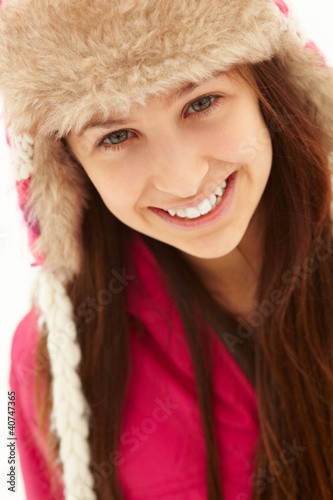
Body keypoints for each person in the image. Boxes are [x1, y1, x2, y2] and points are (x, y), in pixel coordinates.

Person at [1, 0, 333, 499]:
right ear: (69, 172)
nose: (184, 179)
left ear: (269, 89)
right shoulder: (54, 359)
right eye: (116, 136)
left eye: (201, 103)